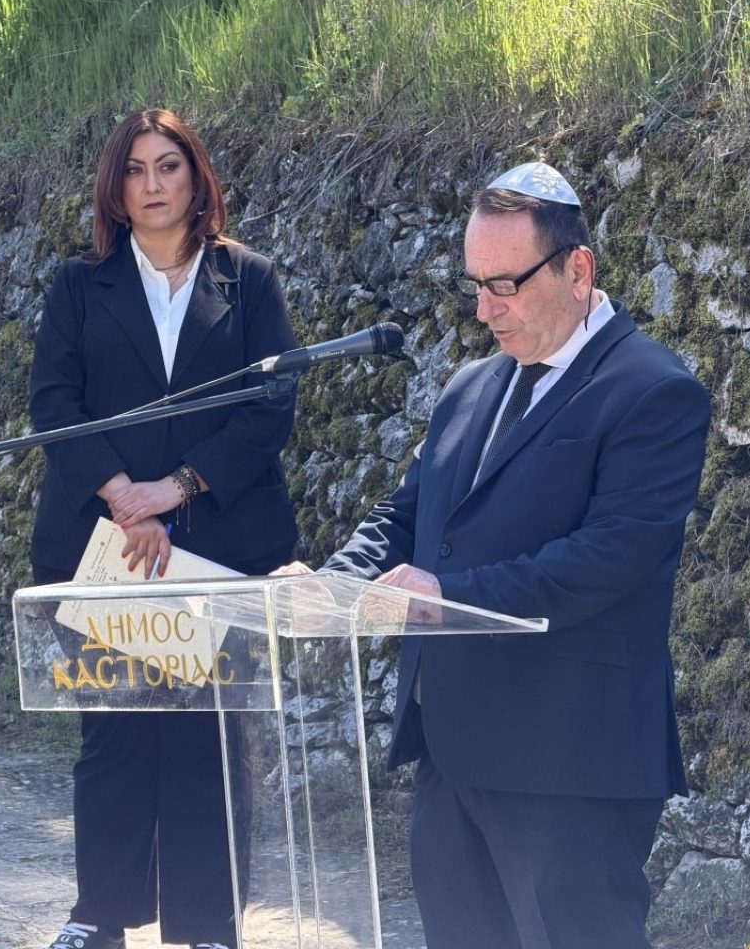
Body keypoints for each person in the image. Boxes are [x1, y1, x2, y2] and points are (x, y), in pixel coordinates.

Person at [278, 162, 711, 948]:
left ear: (578, 270)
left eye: (505, 285)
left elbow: (609, 556)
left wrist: (446, 596)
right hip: (452, 752)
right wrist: (335, 584)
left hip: (569, 761)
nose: (485, 310)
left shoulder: (653, 391)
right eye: (476, 285)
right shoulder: (472, 387)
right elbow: (409, 515)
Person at [30, 108, 299, 949]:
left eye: (168, 166)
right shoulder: (79, 286)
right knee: (113, 732)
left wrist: (174, 489)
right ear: (115, 188)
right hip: (107, 545)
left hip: (218, 541)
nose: (153, 184)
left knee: (208, 739)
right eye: (135, 169)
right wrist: (125, 496)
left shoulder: (249, 280)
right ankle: (98, 915)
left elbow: (270, 407)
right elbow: (54, 405)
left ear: (196, 177)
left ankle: (208, 926)